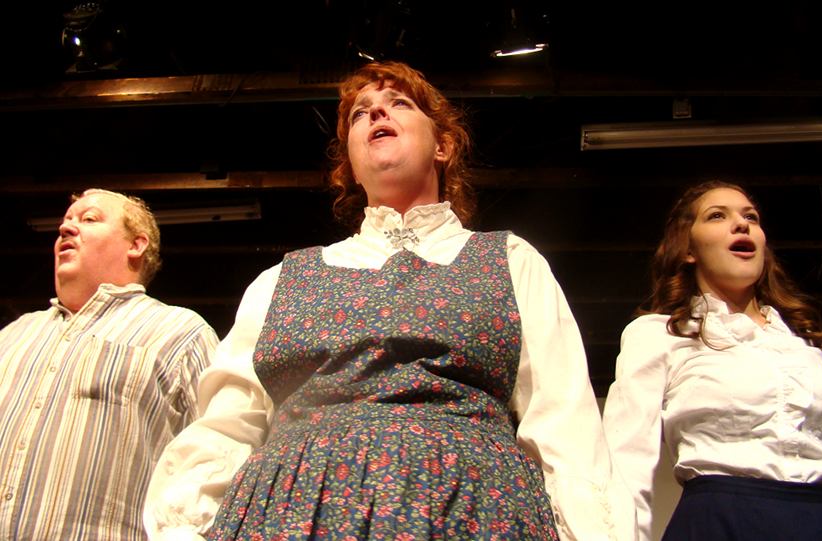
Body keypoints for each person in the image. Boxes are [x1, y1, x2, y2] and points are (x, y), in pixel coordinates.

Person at [144, 61, 635, 540]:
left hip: (472, 510)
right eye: (361, 113)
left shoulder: (508, 259)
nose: (377, 114)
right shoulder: (281, 279)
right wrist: (180, 527)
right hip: (294, 514)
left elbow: (563, 421)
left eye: (398, 103)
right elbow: (231, 421)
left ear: (442, 146)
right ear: (351, 167)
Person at [602, 180, 822, 540]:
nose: (742, 224)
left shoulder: (805, 346)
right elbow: (625, 457)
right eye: (717, 216)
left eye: (751, 217)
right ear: (689, 249)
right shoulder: (659, 334)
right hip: (723, 521)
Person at [0, 188, 219, 540]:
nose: (67, 229)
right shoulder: (13, 335)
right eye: (66, 221)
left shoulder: (179, 333)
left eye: (89, 219)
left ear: (136, 245)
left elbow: (219, 458)